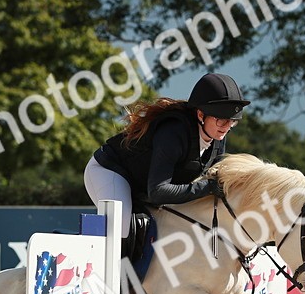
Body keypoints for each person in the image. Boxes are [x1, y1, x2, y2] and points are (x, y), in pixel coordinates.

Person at [85, 72, 250, 241]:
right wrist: (208, 187)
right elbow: (158, 191)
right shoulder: (173, 133)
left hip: (143, 185)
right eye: (221, 120)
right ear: (201, 115)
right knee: (121, 228)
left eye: (232, 121)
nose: (227, 127)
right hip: (110, 171)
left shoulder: (217, 136)